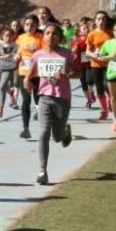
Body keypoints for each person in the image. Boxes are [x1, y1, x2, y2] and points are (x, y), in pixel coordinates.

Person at [26, 24, 77, 185]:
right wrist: (27, 80)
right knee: (43, 133)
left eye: (54, 34)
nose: (51, 36)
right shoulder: (38, 55)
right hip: (44, 98)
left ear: (60, 37)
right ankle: (43, 171)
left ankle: (65, 131)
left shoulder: (67, 54)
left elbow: (78, 72)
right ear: (44, 36)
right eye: (47, 33)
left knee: (56, 137)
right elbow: (31, 72)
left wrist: (67, 74)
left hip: (62, 98)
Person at [92, 20, 116, 131]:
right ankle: (115, 119)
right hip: (111, 72)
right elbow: (99, 56)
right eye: (115, 30)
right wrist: (109, 57)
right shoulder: (109, 43)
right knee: (112, 97)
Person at [16, 15, 44, 139]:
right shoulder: (20, 38)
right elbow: (19, 51)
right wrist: (17, 56)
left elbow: (45, 52)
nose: (29, 27)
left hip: (37, 73)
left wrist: (35, 54)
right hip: (23, 72)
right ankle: (25, 129)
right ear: (24, 26)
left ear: (37, 26)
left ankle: (46, 126)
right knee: (26, 101)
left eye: (32, 25)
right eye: (27, 24)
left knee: (38, 99)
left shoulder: (41, 37)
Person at [86, 11, 112, 121]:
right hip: (95, 64)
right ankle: (104, 111)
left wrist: (109, 55)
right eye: (99, 19)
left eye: (103, 19)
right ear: (95, 21)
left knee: (107, 85)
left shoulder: (110, 33)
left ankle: (111, 100)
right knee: (100, 88)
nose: (101, 21)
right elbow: (87, 51)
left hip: (109, 64)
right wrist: (95, 56)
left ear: (106, 21)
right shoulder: (91, 34)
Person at [0, 26, 18, 118]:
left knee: (1, 87)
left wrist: (17, 60)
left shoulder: (15, 45)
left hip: (9, 69)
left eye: (10, 36)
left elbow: (19, 55)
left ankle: (0, 109)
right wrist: (2, 57)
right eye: (6, 36)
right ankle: (11, 93)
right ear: (2, 36)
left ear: (13, 36)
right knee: (4, 87)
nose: (8, 38)